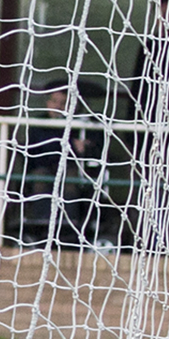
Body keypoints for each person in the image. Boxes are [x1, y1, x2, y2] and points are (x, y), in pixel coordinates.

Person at [20, 85, 101, 247]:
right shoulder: (38, 123)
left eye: (63, 103)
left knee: (69, 181)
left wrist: (85, 145)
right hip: (42, 167)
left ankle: (68, 228)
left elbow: (96, 146)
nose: (58, 106)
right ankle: (40, 227)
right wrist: (71, 144)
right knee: (40, 179)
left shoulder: (80, 123)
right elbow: (38, 148)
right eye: (54, 101)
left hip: (69, 169)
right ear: (47, 103)